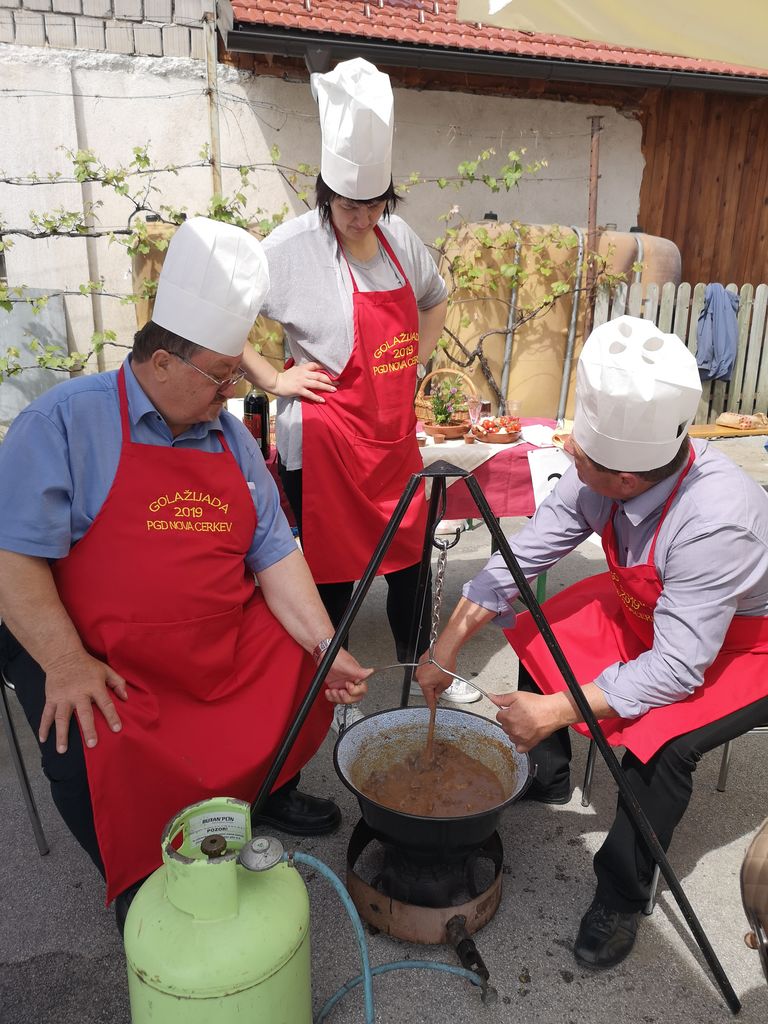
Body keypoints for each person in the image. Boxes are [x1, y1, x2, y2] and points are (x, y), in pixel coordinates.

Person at [0, 217, 370, 924]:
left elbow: (275, 553)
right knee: (84, 738)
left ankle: (264, 793)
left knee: (299, 658)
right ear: (163, 362)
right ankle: (148, 892)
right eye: (222, 376)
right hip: (103, 656)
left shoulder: (229, 440)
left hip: (211, 646)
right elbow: (12, 557)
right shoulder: (63, 424)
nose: (230, 393)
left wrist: (327, 646)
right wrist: (64, 661)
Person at [416, 314, 768, 969]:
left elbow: (677, 669)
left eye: (581, 453)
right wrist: (447, 645)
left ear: (626, 480)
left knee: (662, 743)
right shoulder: (599, 474)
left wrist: (556, 707)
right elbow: (520, 562)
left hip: (739, 644)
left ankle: (622, 896)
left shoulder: (716, 523)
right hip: (650, 609)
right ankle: (547, 774)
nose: (570, 455)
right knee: (539, 628)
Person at [241, 58, 457, 725]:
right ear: (324, 193)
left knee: (411, 568)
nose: (361, 218)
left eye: (373, 203)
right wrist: (272, 377)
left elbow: (435, 297)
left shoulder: (400, 240)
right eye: (346, 205)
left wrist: (414, 360)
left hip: (392, 440)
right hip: (326, 445)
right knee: (331, 579)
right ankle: (329, 692)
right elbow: (219, 316)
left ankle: (422, 674)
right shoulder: (289, 248)